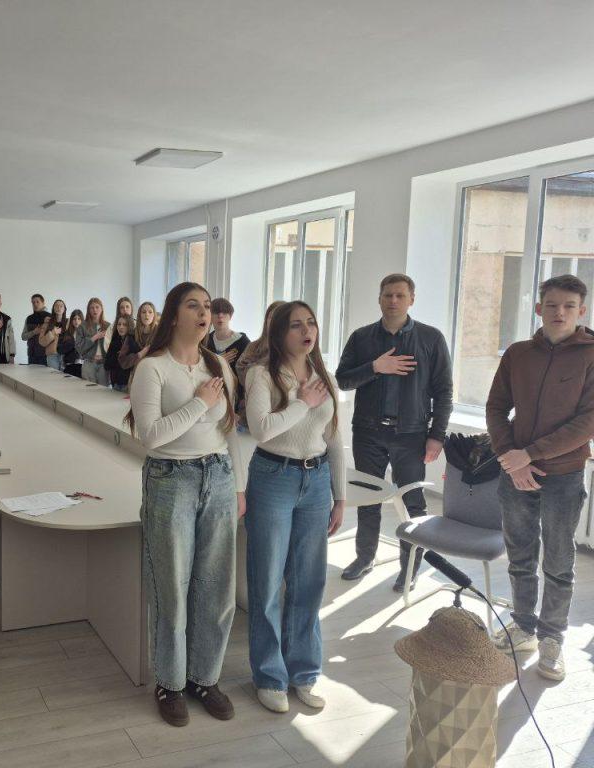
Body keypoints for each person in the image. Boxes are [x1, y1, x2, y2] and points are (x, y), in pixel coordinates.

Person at [127, 282, 246, 728]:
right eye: (193, 305)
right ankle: (170, 682)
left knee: (216, 586)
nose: (203, 313)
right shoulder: (152, 368)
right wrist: (199, 403)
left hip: (218, 475)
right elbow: (150, 436)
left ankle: (204, 678)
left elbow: (229, 429)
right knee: (171, 587)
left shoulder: (218, 365)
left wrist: (238, 486)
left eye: (207, 306)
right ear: (173, 315)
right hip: (170, 479)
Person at [486, 274, 594, 681]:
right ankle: (524, 626)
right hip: (515, 472)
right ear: (538, 309)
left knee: (559, 561)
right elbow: (496, 407)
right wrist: (511, 460)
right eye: (551, 305)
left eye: (568, 306)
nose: (559, 312)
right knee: (520, 555)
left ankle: (552, 638)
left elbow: (588, 422)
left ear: (581, 311)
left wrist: (529, 454)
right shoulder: (518, 354)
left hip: (563, 476)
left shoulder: (591, 355)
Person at [244, 301, 346, 714]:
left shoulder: (326, 377)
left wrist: (340, 496)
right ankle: (269, 676)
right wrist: (301, 402)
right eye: (296, 325)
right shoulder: (261, 374)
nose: (307, 331)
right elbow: (261, 429)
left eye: (311, 324)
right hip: (273, 476)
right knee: (268, 580)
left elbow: (335, 438)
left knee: (309, 581)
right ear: (279, 333)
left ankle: (303, 672)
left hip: (316, 481)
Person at [335, 274, 452, 592]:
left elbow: (444, 391)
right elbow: (342, 380)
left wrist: (437, 435)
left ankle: (410, 567)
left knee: (413, 501)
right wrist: (375, 367)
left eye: (400, 295)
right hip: (367, 433)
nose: (393, 301)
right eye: (388, 295)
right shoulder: (361, 338)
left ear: (412, 299)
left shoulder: (431, 338)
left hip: (411, 435)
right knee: (368, 498)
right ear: (379, 298)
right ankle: (364, 557)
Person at [236, 300, 286, 425]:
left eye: (279, 318)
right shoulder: (253, 346)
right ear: (266, 321)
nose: (274, 322)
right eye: (271, 317)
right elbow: (241, 371)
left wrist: (257, 367)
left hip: (281, 410)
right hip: (251, 407)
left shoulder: (292, 349)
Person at [76, 298, 110, 385]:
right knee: (89, 390)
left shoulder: (108, 326)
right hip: (89, 363)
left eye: (97, 307)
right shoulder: (82, 326)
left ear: (101, 309)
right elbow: (79, 347)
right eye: (92, 308)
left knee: (103, 390)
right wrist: (94, 337)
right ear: (88, 310)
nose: (95, 310)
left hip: (104, 364)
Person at [104, 315, 140, 392]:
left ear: (130, 326)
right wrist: (119, 356)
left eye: (124, 325)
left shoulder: (133, 341)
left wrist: (120, 358)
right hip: (115, 383)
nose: (121, 327)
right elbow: (107, 365)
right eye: (119, 324)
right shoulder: (115, 340)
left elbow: (130, 365)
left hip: (128, 384)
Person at [38, 299, 68, 371]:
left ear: (64, 309)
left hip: (66, 355)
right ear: (53, 308)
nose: (59, 308)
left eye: (61, 306)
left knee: (65, 377)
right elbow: (41, 342)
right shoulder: (47, 323)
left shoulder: (69, 323)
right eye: (56, 306)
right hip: (52, 356)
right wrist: (52, 333)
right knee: (54, 377)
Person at [21, 294, 51, 365]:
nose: (35, 304)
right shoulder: (29, 318)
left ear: (43, 303)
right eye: (33, 302)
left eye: (37, 302)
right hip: (32, 355)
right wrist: (34, 332)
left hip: (46, 355)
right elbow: (23, 337)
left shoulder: (50, 317)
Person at [62, 309, 84, 378]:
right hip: (69, 365)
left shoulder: (86, 334)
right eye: (74, 319)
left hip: (82, 366)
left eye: (79, 319)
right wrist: (73, 342)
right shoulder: (67, 334)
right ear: (71, 320)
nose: (76, 321)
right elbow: (61, 350)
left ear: (82, 320)